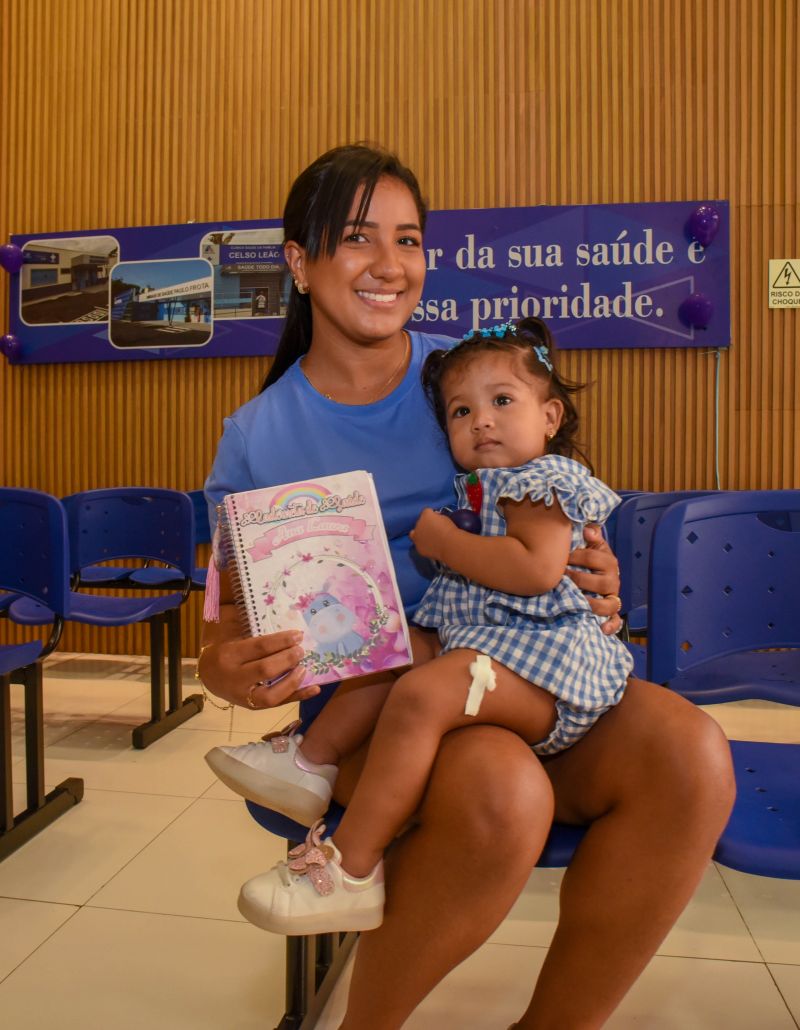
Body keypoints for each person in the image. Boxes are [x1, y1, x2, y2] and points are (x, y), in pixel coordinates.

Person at [198, 143, 735, 1029]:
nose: (390, 265)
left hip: (527, 664)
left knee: (692, 755)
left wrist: (593, 572)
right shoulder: (257, 437)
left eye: (408, 240)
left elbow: (564, 520)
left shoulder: (475, 376)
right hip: (379, 699)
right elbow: (220, 624)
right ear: (299, 261)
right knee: (500, 788)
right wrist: (226, 671)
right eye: (358, 238)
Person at [215, 316, 635, 936]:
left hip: (549, 674)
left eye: (501, 402)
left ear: (550, 417)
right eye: (461, 412)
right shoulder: (486, 485)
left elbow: (536, 572)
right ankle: (310, 762)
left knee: (423, 690)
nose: (481, 421)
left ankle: (352, 868)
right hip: (496, 647)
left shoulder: (542, 482)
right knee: (401, 646)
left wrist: (442, 542)